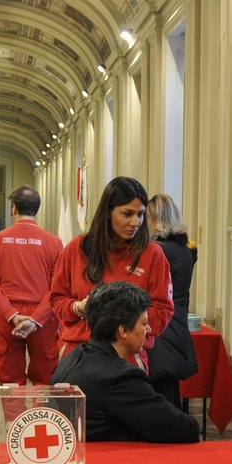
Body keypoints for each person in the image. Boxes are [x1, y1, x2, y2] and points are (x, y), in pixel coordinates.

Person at [52, 282, 200, 444]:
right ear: (123, 331)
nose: (149, 330)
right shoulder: (119, 378)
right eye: (143, 324)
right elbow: (184, 429)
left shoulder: (73, 356)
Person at [48, 175, 174, 360]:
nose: (135, 222)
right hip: (78, 353)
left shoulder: (152, 254)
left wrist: (124, 326)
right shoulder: (77, 248)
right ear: (108, 211)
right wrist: (79, 308)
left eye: (140, 214)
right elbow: (57, 299)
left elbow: (163, 310)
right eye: (127, 214)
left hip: (127, 357)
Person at [0, 185, 64, 384]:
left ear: (13, 208)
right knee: (45, 376)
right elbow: (57, 287)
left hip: (7, 314)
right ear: (37, 209)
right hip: (43, 316)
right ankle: (40, 416)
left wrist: (11, 315)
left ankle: (13, 416)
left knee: (9, 376)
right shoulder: (53, 242)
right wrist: (36, 319)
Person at [145, 193, 199, 406]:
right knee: (171, 392)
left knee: (158, 396)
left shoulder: (157, 250)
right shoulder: (185, 250)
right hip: (177, 324)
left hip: (160, 327)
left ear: (154, 219)